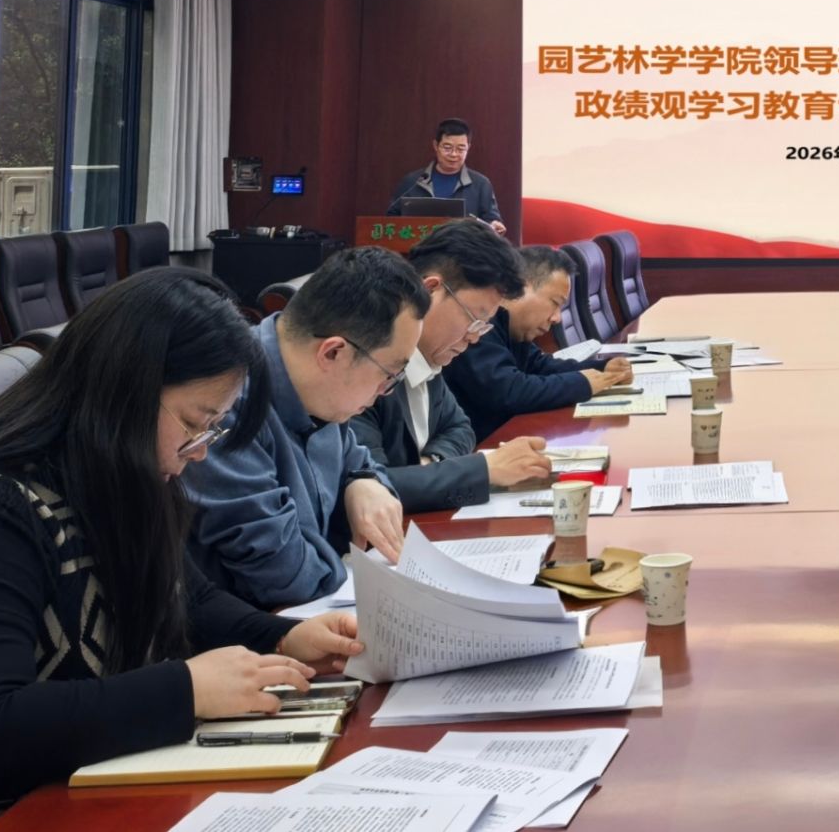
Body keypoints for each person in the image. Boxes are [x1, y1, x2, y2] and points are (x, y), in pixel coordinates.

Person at [0, 269, 365, 807]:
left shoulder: (126, 475)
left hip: (99, 788)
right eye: (194, 423)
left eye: (213, 428)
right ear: (123, 393)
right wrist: (185, 691)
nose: (201, 451)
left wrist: (283, 637)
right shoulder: (4, 507)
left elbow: (189, 596)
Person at [187, 247, 421, 609]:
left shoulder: (320, 391)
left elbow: (360, 462)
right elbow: (285, 576)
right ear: (333, 353)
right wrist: (339, 551)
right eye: (389, 374)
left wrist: (365, 481)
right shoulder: (225, 402)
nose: (384, 392)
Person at [352, 221, 551, 514]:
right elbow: (370, 487)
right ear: (430, 290)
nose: (474, 337)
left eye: (484, 326)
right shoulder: (365, 362)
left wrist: (431, 465)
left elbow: (460, 427)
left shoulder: (431, 357)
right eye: (473, 318)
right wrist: (482, 470)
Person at [444, 246, 633, 444]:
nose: (557, 318)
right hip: (480, 447)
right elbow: (508, 392)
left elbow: (541, 366)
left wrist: (603, 368)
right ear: (520, 287)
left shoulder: (513, 328)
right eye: (555, 302)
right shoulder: (479, 325)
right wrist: (581, 383)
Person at [389, 117, 505, 235]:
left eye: (461, 149)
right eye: (447, 148)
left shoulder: (481, 184)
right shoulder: (412, 182)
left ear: (468, 148)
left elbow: (491, 219)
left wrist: (495, 225)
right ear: (435, 145)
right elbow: (391, 219)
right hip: (422, 245)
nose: (454, 154)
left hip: (464, 245)